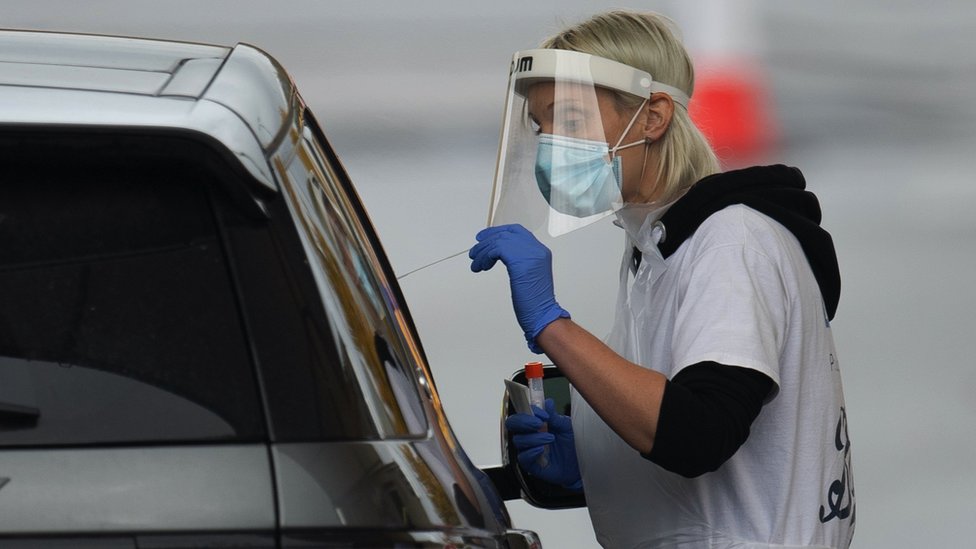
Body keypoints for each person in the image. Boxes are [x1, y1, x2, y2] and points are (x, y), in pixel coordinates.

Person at [469, 10, 855, 549]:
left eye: (571, 120)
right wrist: (597, 460)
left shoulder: (731, 243)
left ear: (653, 118)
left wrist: (550, 323)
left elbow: (698, 434)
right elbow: (679, 424)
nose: (551, 144)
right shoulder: (655, 244)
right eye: (541, 127)